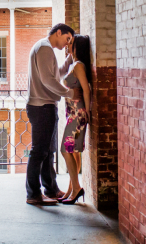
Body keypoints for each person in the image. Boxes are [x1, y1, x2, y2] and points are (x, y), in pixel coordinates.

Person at [25, 23, 75, 205]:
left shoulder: (44, 48)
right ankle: (33, 194)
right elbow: (48, 81)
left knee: (48, 151)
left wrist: (68, 62)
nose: (67, 43)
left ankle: (51, 189)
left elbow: (54, 75)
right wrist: (69, 93)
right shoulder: (45, 48)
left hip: (45, 106)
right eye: (67, 38)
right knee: (39, 152)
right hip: (42, 107)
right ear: (58, 32)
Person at [58, 35, 92, 204]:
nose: (67, 46)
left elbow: (86, 89)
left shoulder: (79, 66)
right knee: (71, 151)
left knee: (65, 150)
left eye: (70, 44)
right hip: (71, 113)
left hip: (78, 114)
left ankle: (77, 188)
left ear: (78, 47)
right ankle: (72, 189)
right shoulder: (73, 63)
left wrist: (88, 111)